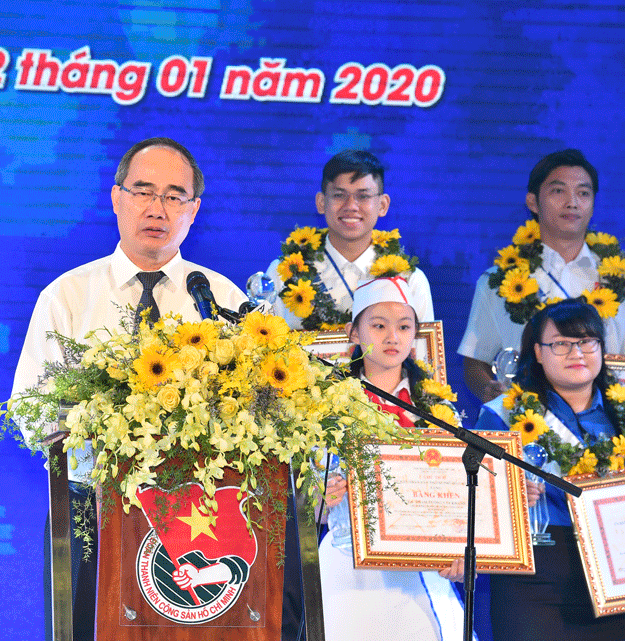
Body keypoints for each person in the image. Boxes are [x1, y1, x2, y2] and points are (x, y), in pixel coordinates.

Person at [10, 137, 250, 640]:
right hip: (89, 506)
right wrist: (94, 418)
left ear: (194, 211)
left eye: (173, 196)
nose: (156, 208)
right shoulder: (68, 296)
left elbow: (256, 410)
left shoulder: (222, 298)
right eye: (143, 191)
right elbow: (30, 413)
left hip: (200, 512)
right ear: (117, 198)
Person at [320, 276, 466, 641]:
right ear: (354, 333)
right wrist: (323, 497)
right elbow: (309, 502)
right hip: (347, 560)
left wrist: (460, 551)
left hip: (418, 562)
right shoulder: (325, 402)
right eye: (378, 325)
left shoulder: (435, 407)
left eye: (404, 327)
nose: (392, 337)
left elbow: (456, 492)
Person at [474, 298, 625, 639]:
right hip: (535, 578)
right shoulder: (501, 415)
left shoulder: (621, 411)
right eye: (561, 344)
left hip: (616, 567)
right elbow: (476, 500)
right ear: (538, 352)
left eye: (587, 341)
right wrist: (508, 500)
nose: (577, 353)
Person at [459, 149, 625, 403]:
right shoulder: (500, 282)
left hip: (606, 426)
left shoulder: (618, 278)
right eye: (558, 191)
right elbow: (474, 363)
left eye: (583, 193)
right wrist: (488, 391)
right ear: (533, 202)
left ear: (592, 204)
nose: (572, 202)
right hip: (527, 422)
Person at [265, 150, 433, 331]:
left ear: (383, 205)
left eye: (363, 196)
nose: (351, 206)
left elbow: (423, 355)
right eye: (339, 195)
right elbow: (262, 348)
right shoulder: (285, 273)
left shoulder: (409, 280)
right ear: (321, 202)